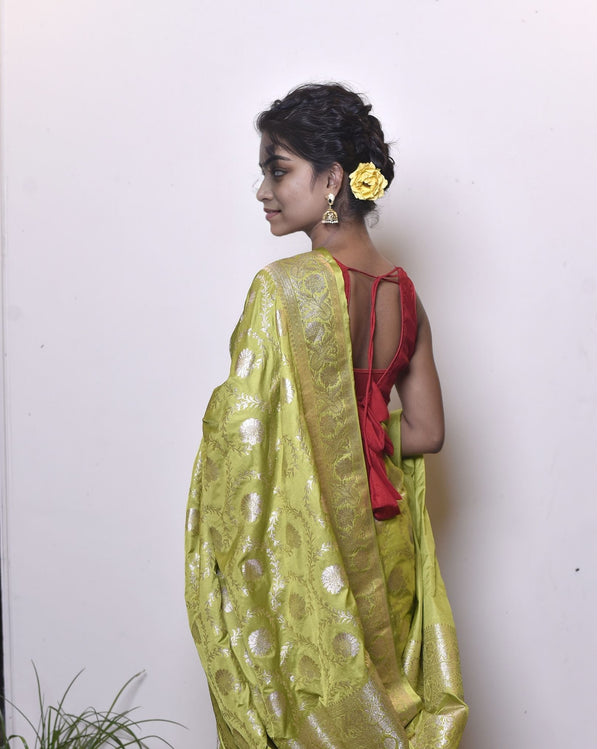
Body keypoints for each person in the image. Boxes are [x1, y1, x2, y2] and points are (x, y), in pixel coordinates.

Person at [185, 83, 468, 748]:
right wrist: (361, 436)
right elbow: (426, 432)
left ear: (333, 179)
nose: (264, 190)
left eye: (278, 170)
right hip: (386, 538)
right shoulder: (404, 293)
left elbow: (240, 434)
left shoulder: (283, 290)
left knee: (311, 715)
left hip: (314, 540)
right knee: (386, 708)